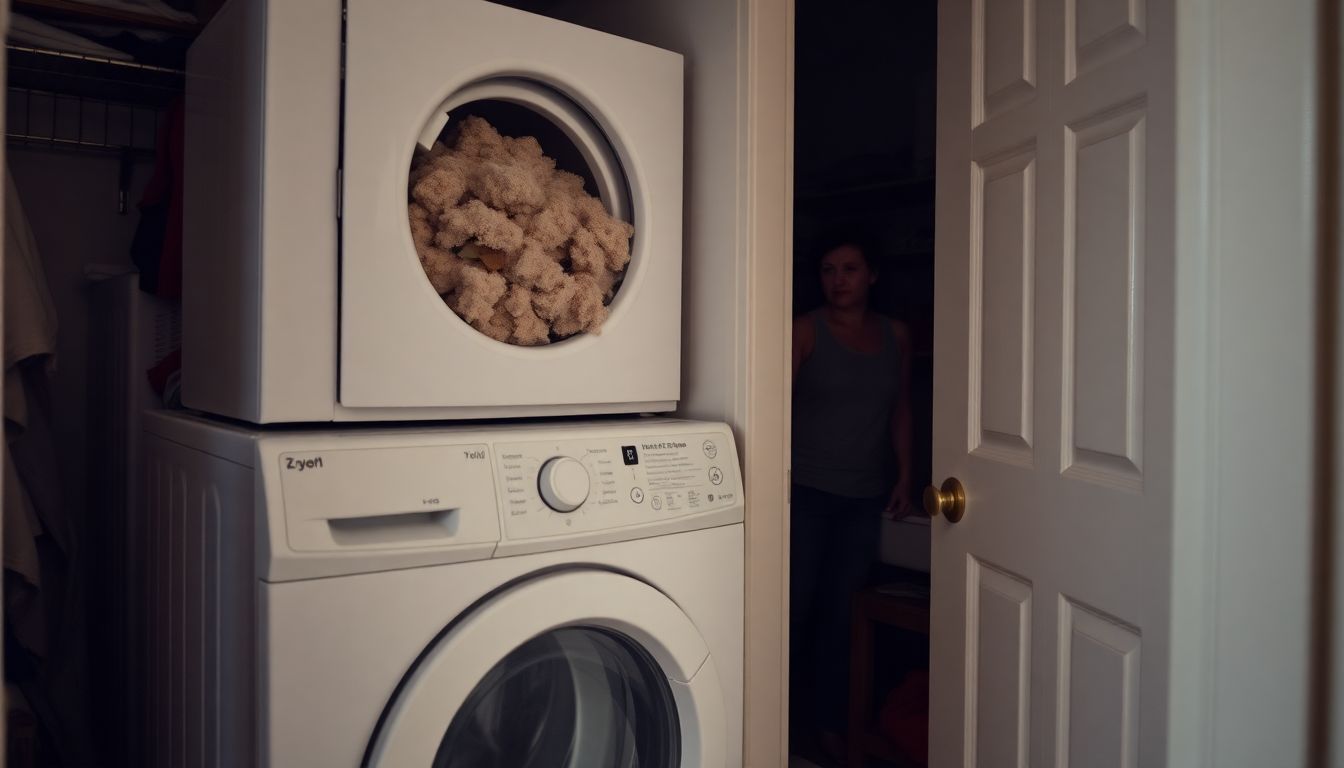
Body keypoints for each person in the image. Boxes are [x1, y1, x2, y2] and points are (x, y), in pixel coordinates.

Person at [790, 235, 915, 761]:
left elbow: (901, 407)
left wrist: (908, 473)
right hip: (806, 494)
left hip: (863, 498)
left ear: (873, 276)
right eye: (827, 269)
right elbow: (772, 401)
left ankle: (829, 728)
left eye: (850, 268)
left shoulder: (897, 335)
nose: (837, 279)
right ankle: (780, 723)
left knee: (843, 621)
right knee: (792, 612)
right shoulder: (804, 330)